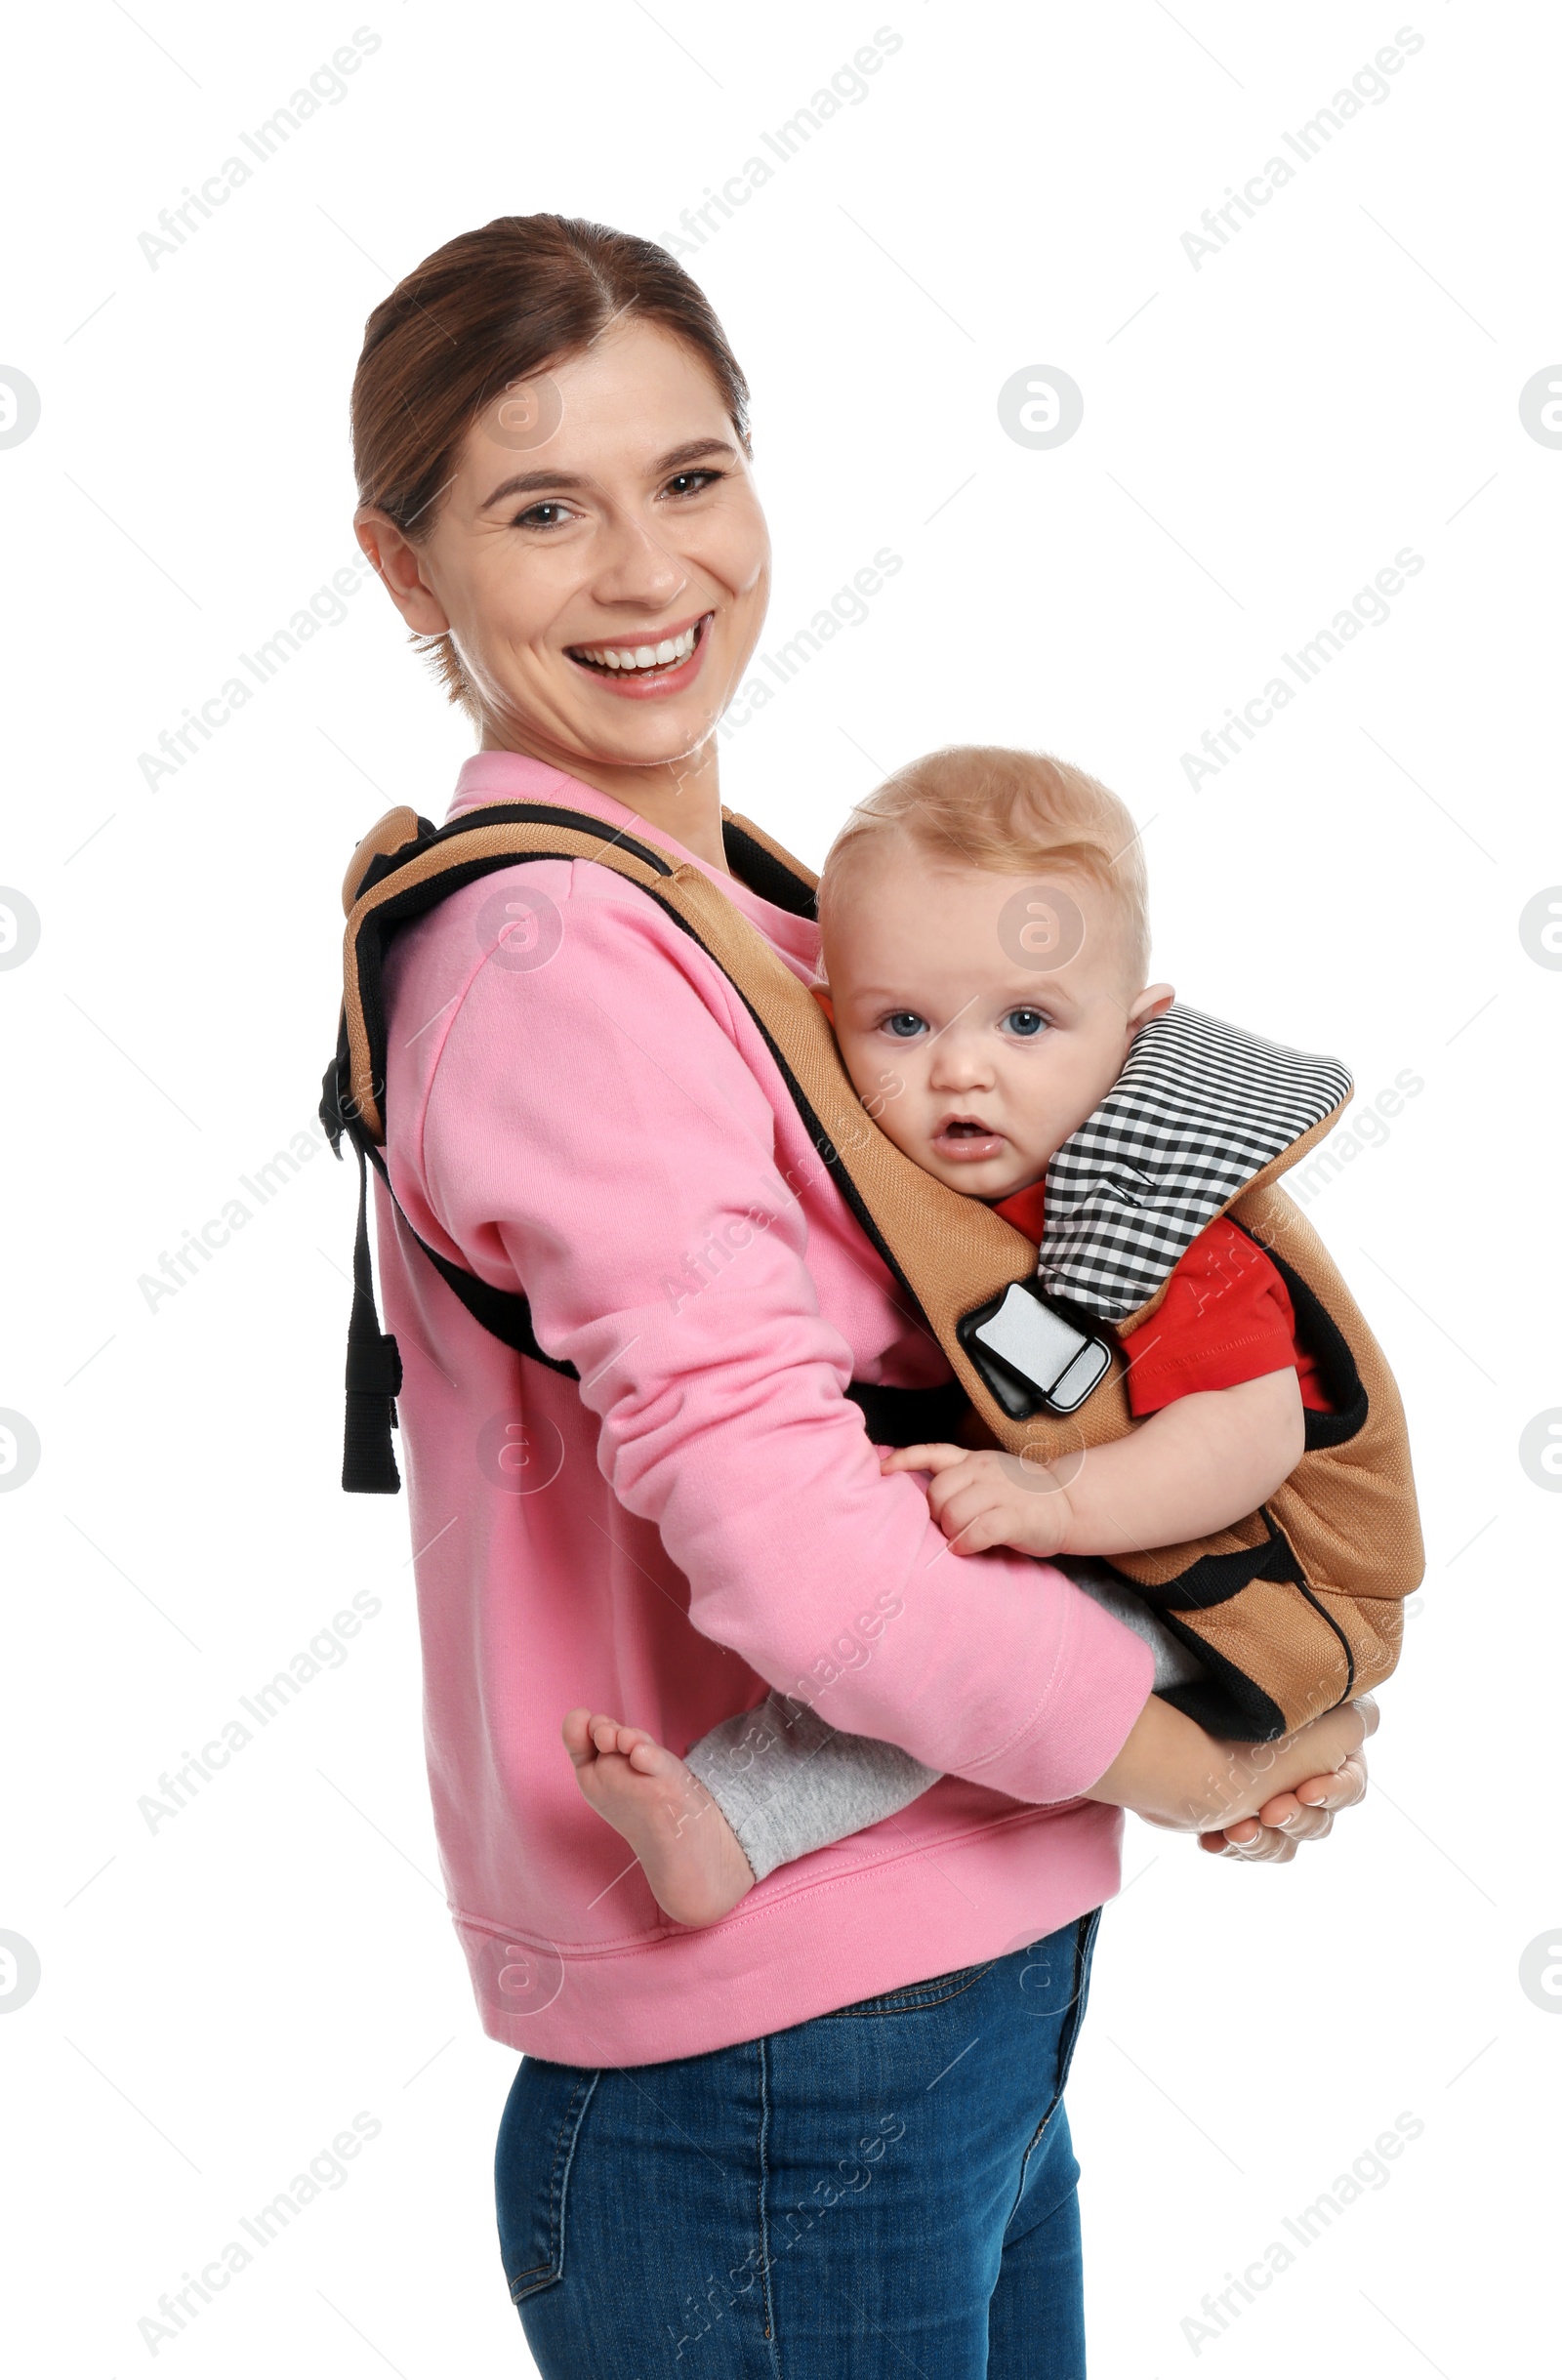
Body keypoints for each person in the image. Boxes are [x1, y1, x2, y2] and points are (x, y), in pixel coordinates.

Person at [349, 212, 1372, 2378]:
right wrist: (1194, 1755)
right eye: (544, 510)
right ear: (404, 568)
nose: (647, 575)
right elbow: (811, 1574)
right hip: (775, 2071)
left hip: (931, 1993)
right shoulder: (553, 970)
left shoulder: (744, 908)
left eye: (691, 477)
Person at [563, 742, 1362, 1926]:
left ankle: (732, 1825)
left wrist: (1060, 1504)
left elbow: (1251, 1430)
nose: (961, 1070)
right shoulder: (940, 1199)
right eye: (901, 1023)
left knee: (956, 1645)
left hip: (1219, 1574)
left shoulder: (1159, 1224)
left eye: (1027, 1020)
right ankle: (1305, 1737)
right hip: (1106, 1576)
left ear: (1135, 1032)